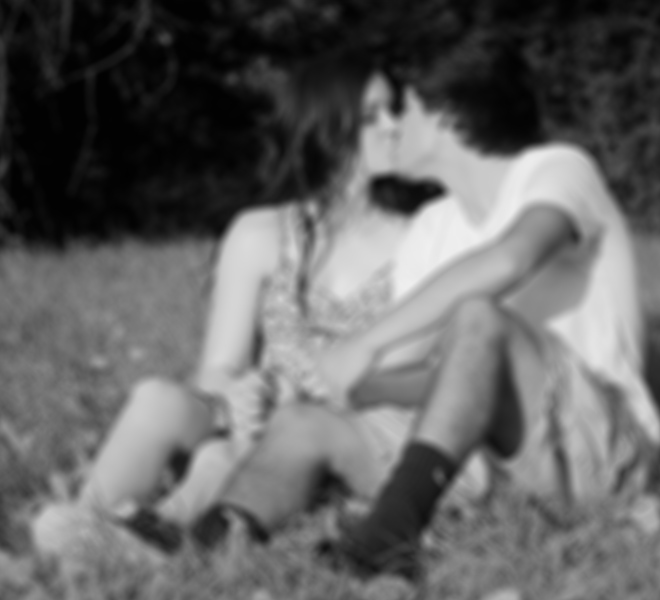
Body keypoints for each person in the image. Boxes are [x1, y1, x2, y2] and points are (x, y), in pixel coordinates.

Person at [31, 48, 434, 560]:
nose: (394, 126)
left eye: (393, 110)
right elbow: (217, 369)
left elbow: (407, 381)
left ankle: (140, 543)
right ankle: (87, 529)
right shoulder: (260, 233)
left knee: (222, 456)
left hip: (330, 433)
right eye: (372, 116)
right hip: (248, 417)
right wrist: (242, 392)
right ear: (326, 127)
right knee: (157, 399)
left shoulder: (422, 239)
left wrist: (299, 401)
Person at [312, 30, 660, 579]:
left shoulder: (559, 169)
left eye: (402, 108)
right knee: (302, 422)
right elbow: (423, 372)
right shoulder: (433, 225)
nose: (391, 126)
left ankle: (389, 534)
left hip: (600, 451)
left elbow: (511, 260)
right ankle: (211, 533)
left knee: (479, 316)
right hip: (506, 463)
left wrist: (366, 342)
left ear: (446, 115)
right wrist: (346, 382)